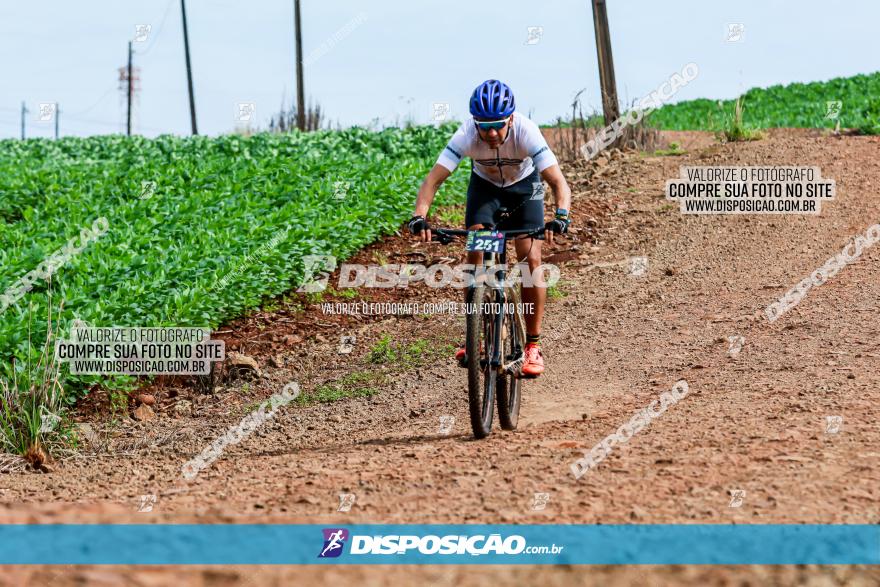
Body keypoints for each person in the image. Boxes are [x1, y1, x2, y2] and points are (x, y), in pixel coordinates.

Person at [408, 79, 572, 377]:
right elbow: (432, 181)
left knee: (530, 260)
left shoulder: (527, 131)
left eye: (498, 125)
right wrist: (419, 216)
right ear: (475, 123)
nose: (492, 133)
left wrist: (561, 215)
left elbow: (558, 182)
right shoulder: (466, 135)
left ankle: (532, 346)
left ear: (510, 118)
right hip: (485, 193)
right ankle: (476, 337)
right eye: (485, 126)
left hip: (524, 192)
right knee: (476, 253)